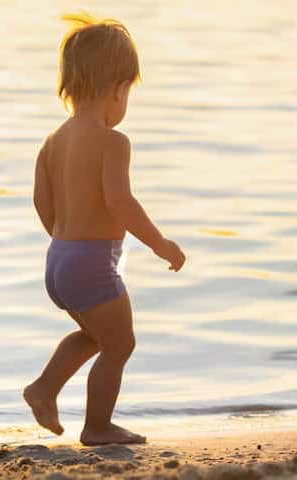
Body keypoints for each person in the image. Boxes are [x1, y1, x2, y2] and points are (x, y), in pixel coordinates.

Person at [21, 13, 187, 446]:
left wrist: (64, 240)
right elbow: (121, 203)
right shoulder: (114, 142)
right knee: (119, 344)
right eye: (128, 92)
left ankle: (43, 388)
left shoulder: (53, 140)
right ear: (118, 88)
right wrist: (160, 244)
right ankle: (97, 426)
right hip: (90, 263)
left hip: (58, 258)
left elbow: (41, 201)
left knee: (95, 336)